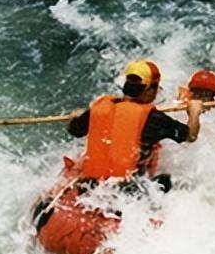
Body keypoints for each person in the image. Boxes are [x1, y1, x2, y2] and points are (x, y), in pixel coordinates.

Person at [65, 59, 202, 192]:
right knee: (165, 180)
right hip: (126, 192)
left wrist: (75, 117)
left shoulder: (99, 107)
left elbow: (74, 130)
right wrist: (194, 113)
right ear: (149, 89)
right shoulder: (153, 118)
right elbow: (190, 136)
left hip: (91, 186)